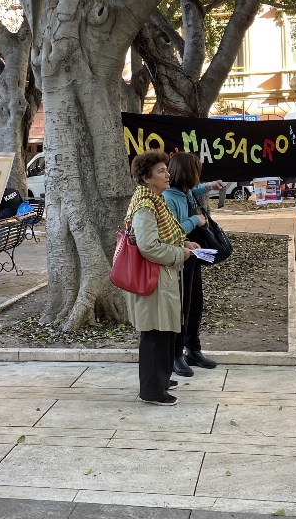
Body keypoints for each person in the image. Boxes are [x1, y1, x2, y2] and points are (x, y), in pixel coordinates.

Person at [124, 150, 200, 406]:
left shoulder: (155, 201)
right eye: (161, 171)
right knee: (155, 334)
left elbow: (165, 236)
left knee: (165, 330)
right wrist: (180, 254)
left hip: (162, 278)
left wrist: (185, 242)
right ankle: (152, 390)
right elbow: (149, 247)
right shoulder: (145, 206)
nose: (168, 174)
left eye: (166, 169)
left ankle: (162, 378)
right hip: (153, 280)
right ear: (146, 178)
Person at [162, 153, 224, 377]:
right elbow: (173, 231)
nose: (199, 175)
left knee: (196, 303)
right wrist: (195, 221)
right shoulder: (169, 198)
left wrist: (208, 186)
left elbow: (194, 191)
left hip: (192, 255)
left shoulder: (183, 191)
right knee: (183, 306)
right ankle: (177, 354)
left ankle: (193, 349)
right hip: (180, 259)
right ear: (188, 173)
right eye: (196, 171)